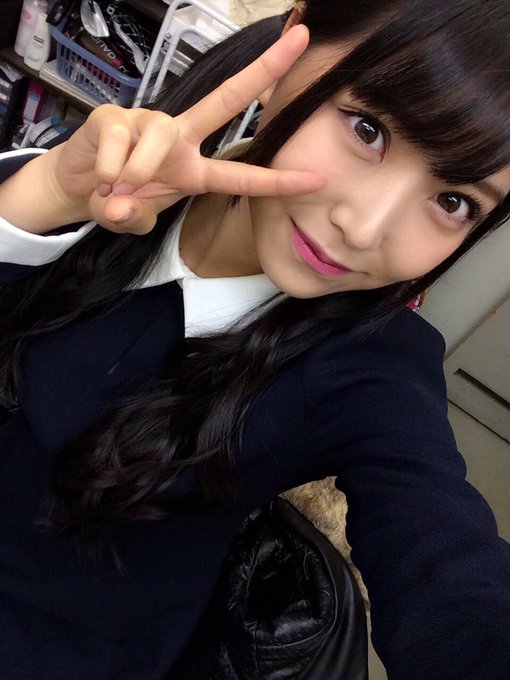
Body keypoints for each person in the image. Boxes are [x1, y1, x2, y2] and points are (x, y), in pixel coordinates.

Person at [1, 0, 510, 678]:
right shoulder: (96, 180)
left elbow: (447, 566)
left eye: (453, 202)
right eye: (368, 130)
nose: (364, 228)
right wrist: (41, 200)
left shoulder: (376, 372)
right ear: (291, 47)